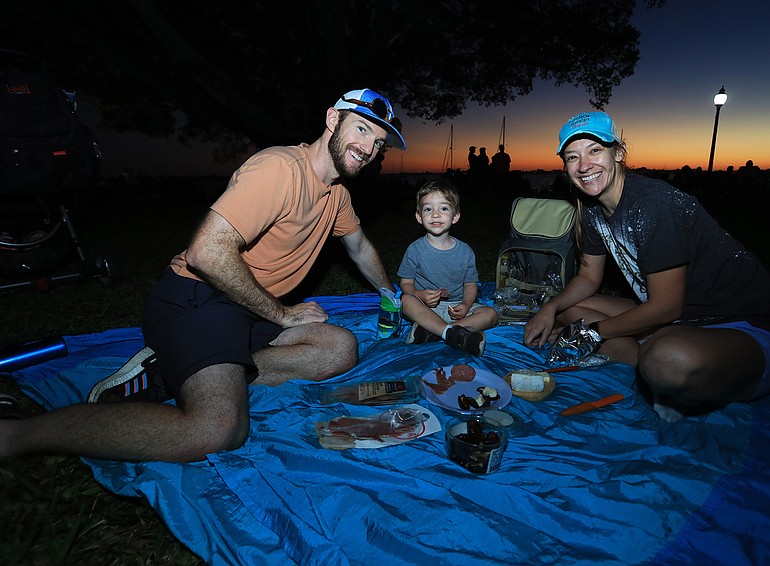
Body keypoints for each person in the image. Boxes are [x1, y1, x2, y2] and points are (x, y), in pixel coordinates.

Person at [0, 88, 406, 462]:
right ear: (333, 120)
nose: (368, 147)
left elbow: (360, 247)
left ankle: (173, 372)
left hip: (248, 310)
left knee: (338, 348)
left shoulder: (337, 196)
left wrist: (393, 295)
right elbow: (206, 253)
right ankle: (17, 434)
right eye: (363, 129)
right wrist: (283, 315)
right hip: (199, 297)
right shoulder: (279, 169)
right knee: (218, 430)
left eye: (378, 143)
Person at [523, 111, 770, 422]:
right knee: (572, 309)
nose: (584, 165)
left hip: (746, 328)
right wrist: (549, 308)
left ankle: (663, 368)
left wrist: (591, 334)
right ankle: (656, 365)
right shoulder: (591, 208)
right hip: (682, 322)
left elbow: (666, 308)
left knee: (667, 359)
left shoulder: (653, 204)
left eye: (595, 150)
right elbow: (588, 276)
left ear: (619, 154)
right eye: (573, 157)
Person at [398, 179, 497, 356]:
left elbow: (470, 284)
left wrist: (466, 304)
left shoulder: (465, 251)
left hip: (457, 309)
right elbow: (405, 284)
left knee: (490, 314)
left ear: (455, 216)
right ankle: (455, 335)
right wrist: (420, 295)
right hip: (426, 308)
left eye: (443, 208)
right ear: (419, 217)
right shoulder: (414, 249)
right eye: (428, 209)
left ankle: (434, 332)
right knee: (406, 301)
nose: (435, 214)